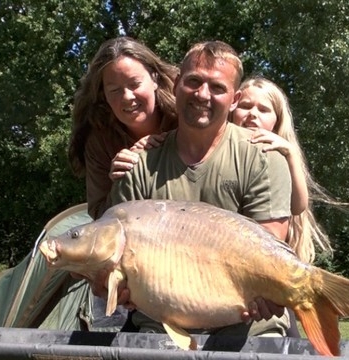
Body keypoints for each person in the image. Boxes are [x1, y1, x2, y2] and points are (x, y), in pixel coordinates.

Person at [106, 40, 294, 338]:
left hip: (249, 328)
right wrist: (116, 286)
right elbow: (107, 272)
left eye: (217, 87)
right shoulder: (137, 165)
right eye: (193, 81)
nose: (202, 94)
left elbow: (269, 252)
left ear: (235, 99)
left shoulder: (263, 157)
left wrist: (268, 291)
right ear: (177, 84)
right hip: (160, 327)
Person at [68, 36, 179, 220]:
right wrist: (119, 184)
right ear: (103, 95)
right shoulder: (99, 141)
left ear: (154, 79)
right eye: (114, 90)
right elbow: (99, 215)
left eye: (135, 84)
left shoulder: (185, 117)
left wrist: (166, 145)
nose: (127, 97)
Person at [231, 77, 333, 263]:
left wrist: (291, 154)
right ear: (232, 108)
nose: (253, 114)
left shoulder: (279, 152)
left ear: (277, 120)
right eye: (245, 106)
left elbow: (298, 206)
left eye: (263, 110)